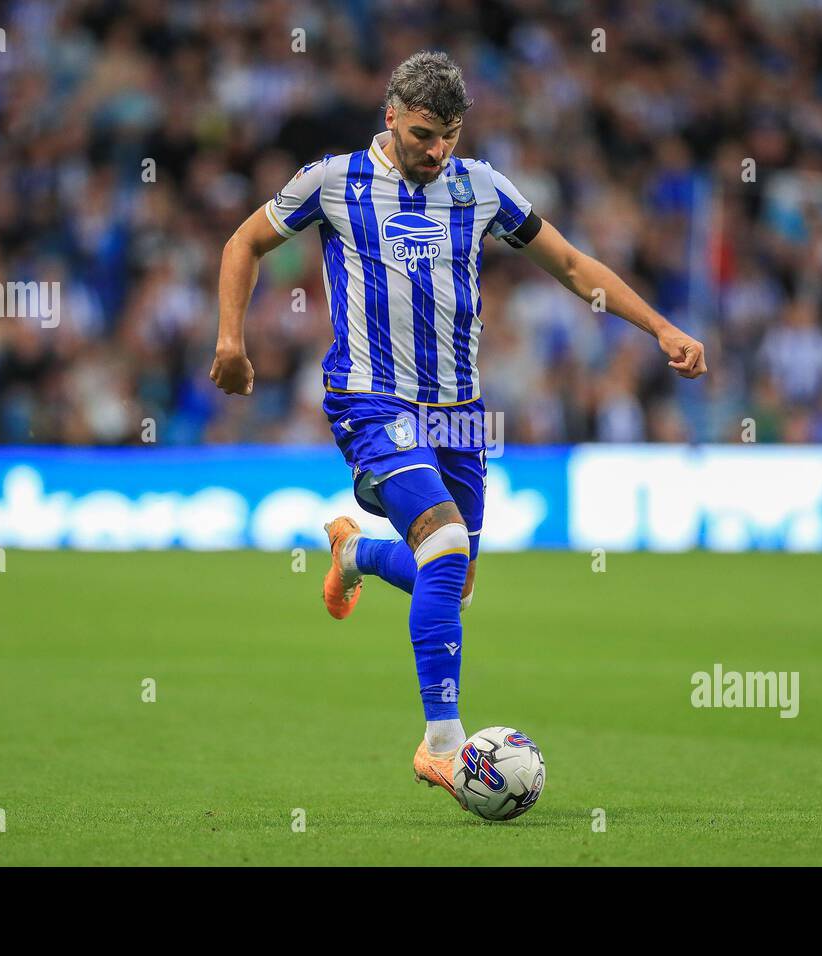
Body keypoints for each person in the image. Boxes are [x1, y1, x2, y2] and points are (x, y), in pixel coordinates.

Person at [210, 50, 706, 805]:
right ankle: (442, 745)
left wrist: (661, 328)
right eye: (421, 135)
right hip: (372, 401)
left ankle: (360, 554)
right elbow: (242, 241)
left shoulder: (481, 189)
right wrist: (230, 341)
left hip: (462, 417)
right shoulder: (332, 181)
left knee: (456, 582)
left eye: (448, 136)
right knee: (443, 545)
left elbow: (572, 266)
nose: (436, 150)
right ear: (390, 118)